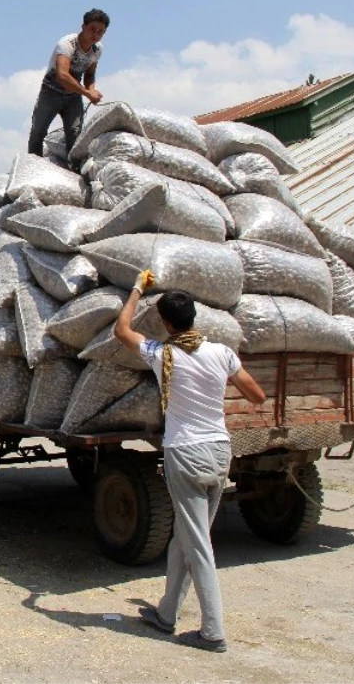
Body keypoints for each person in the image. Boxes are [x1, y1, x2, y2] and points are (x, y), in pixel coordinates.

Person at [112, 271, 266, 653]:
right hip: (218, 451)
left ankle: (212, 632)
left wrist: (136, 287)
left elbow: (121, 329)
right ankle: (166, 614)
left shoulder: (163, 355)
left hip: (186, 453)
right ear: (194, 317)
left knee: (198, 543)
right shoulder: (222, 353)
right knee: (185, 536)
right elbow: (257, 395)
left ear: (166, 323)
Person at [27, 8, 109, 158]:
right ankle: (32, 165)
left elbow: (89, 74)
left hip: (73, 96)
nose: (95, 35)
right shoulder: (67, 44)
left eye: (100, 32)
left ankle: (75, 171)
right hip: (51, 93)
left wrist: (92, 90)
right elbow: (62, 75)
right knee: (38, 131)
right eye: (92, 30)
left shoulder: (97, 49)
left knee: (76, 135)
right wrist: (87, 92)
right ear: (83, 27)